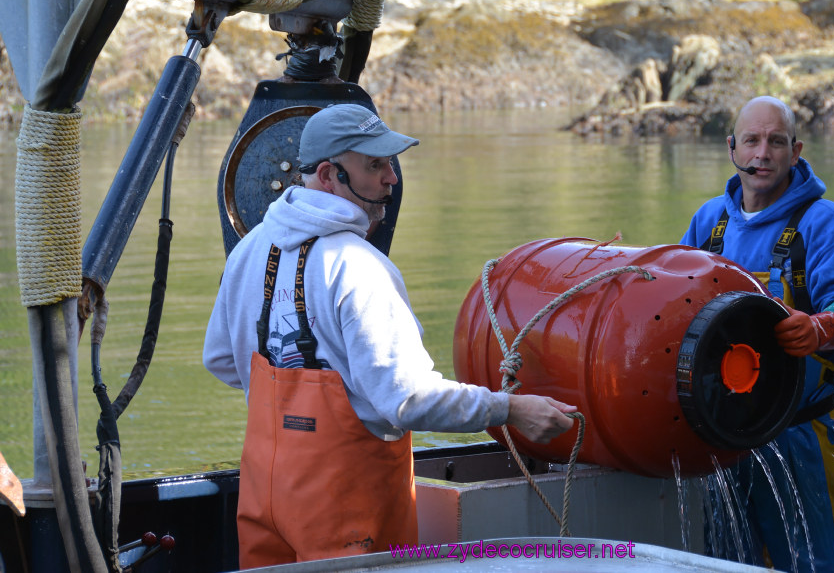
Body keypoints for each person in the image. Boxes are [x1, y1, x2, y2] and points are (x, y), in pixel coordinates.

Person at [203, 103, 576, 569]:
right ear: (327, 174)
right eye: (374, 165)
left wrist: (291, 403)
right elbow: (408, 400)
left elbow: (220, 359)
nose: (391, 179)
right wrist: (513, 408)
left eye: (389, 164)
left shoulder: (249, 251)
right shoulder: (359, 267)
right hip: (347, 512)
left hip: (264, 498)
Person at [680, 96, 834, 572]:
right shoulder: (709, 222)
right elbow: (674, 307)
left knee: (825, 563)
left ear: (796, 151)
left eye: (776, 142)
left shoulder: (824, 222)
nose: (762, 153)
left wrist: (820, 327)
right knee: (730, 563)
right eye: (752, 140)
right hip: (723, 440)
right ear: (732, 148)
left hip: (803, 434)